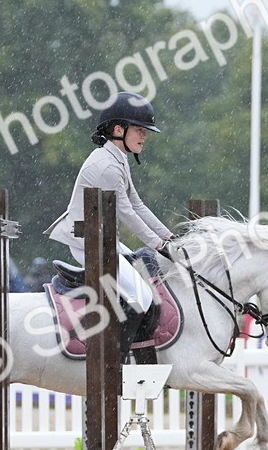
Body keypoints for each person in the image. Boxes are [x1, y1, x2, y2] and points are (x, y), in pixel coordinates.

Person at [44, 91, 173, 355]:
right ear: (118, 129)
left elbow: (137, 204)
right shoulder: (107, 167)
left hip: (103, 239)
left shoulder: (118, 158)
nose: (144, 136)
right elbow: (127, 213)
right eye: (139, 130)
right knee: (142, 297)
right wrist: (158, 243)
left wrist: (169, 238)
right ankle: (115, 357)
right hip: (88, 242)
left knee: (145, 266)